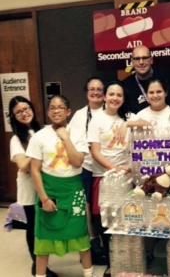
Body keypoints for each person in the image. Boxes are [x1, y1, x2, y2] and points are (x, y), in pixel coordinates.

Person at [26, 95, 99, 277]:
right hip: (49, 191)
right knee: (43, 241)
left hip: (72, 191)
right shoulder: (39, 136)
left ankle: (88, 274)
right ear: (48, 112)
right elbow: (35, 170)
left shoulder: (78, 133)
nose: (56, 111)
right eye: (52, 108)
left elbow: (77, 163)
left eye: (60, 107)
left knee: (81, 237)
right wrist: (44, 198)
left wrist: (66, 138)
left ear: (68, 111)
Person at [87, 80, 150, 277]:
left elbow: (146, 124)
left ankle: (129, 261)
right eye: (111, 94)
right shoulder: (96, 120)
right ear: (104, 97)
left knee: (127, 218)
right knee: (106, 222)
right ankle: (111, 263)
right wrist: (114, 168)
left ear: (123, 99)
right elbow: (95, 152)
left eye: (119, 95)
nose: (115, 98)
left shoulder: (128, 116)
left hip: (127, 178)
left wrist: (128, 123)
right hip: (104, 177)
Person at [8, 96, 57, 277]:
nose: (24, 113)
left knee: (46, 225)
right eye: (19, 112)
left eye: (26, 108)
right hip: (29, 188)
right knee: (34, 227)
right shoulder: (16, 139)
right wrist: (37, 151)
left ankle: (44, 262)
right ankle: (37, 266)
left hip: (47, 184)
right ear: (13, 117)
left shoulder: (43, 130)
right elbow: (22, 165)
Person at [69, 77, 105, 258]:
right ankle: (92, 240)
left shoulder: (111, 111)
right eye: (92, 89)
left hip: (105, 166)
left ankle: (107, 239)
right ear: (87, 92)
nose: (96, 92)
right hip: (85, 166)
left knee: (102, 206)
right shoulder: (79, 115)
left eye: (99, 89)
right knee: (86, 204)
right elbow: (72, 142)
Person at [123, 45, 170, 113]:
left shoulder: (168, 77)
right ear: (132, 62)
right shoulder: (126, 86)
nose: (141, 62)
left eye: (145, 58)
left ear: (151, 60)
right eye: (137, 59)